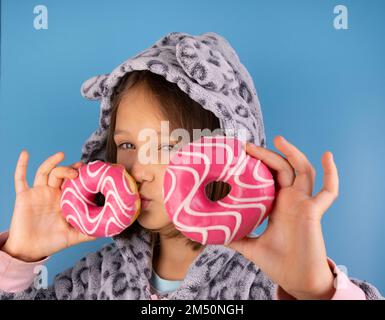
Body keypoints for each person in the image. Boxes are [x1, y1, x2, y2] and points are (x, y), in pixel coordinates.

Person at [0, 32, 383, 300]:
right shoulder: (99, 278)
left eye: (167, 146)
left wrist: (314, 291)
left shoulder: (270, 283)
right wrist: (19, 259)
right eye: (127, 145)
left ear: (226, 160)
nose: (138, 168)